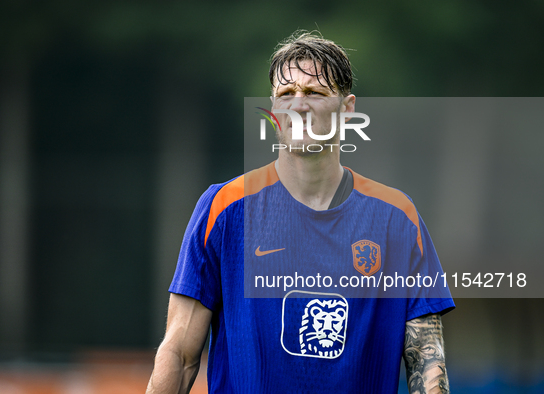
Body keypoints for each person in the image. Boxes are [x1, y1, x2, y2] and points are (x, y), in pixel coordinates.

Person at [147, 31, 454, 393]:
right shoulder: (224, 208)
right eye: (286, 94)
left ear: (348, 108)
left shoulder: (397, 218)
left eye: (314, 93)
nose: (298, 105)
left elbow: (427, 362)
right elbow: (180, 355)